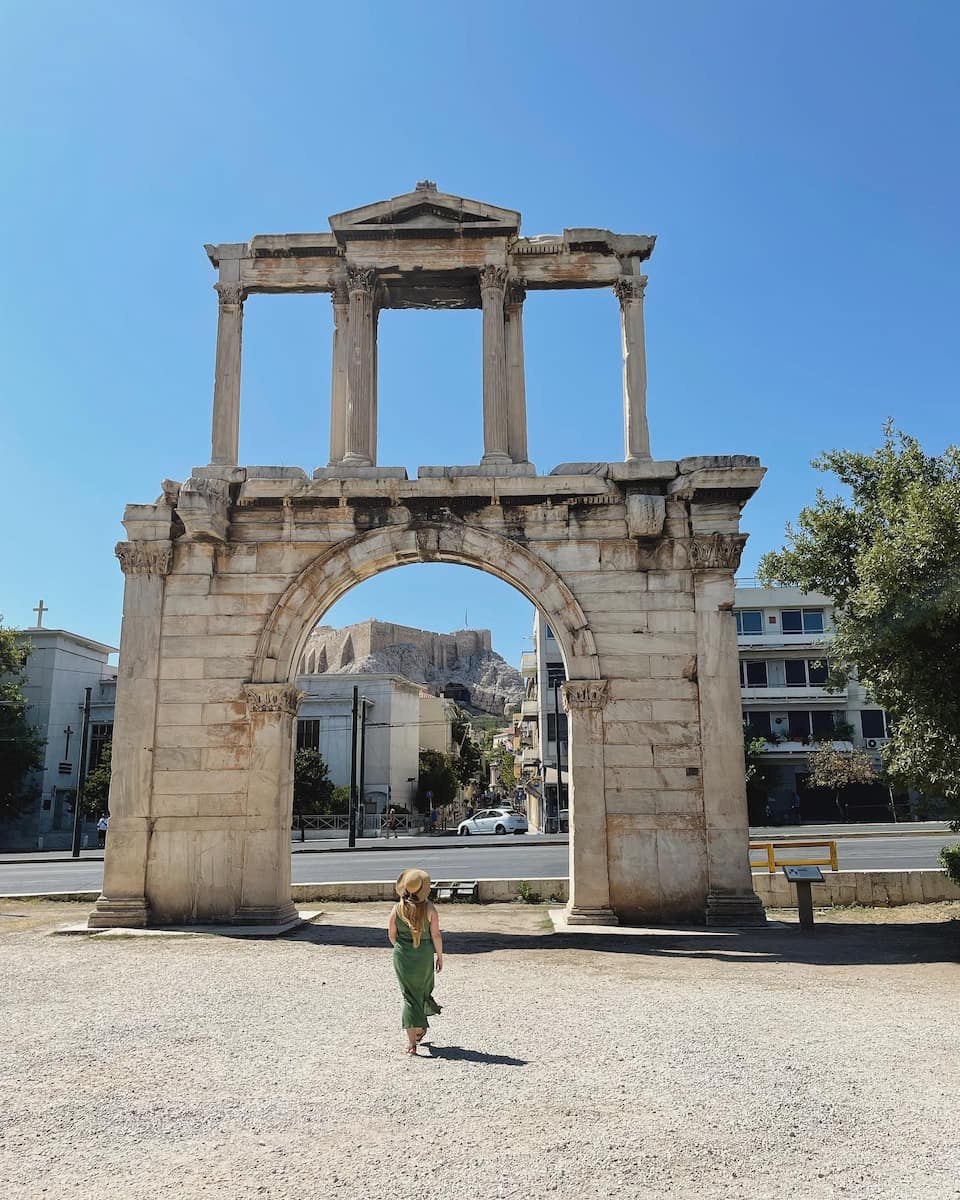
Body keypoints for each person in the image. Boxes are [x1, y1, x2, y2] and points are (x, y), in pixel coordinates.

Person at [387, 868, 443, 1055]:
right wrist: (440, 956)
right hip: (424, 954)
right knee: (423, 990)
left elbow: (392, 936)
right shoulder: (429, 909)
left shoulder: (396, 909)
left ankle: (412, 1042)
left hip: (403, 955)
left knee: (408, 996)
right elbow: (435, 934)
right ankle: (419, 1028)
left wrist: (404, 948)